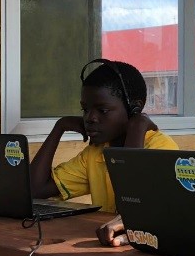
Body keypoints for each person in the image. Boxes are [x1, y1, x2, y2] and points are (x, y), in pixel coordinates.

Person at [31, 59, 177, 242]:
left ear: (135, 108)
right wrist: (59, 127)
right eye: (85, 109)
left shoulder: (161, 148)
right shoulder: (96, 153)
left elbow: (132, 209)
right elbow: (36, 189)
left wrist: (137, 126)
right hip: (109, 247)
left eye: (102, 110)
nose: (90, 118)